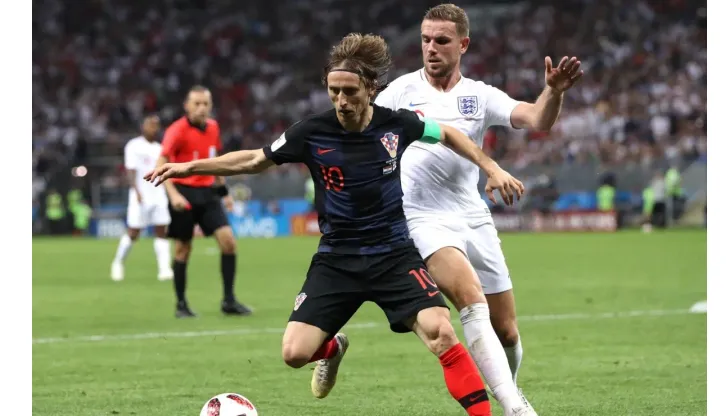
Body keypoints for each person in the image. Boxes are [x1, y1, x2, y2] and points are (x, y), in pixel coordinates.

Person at [145, 33, 533, 416]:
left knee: (442, 333)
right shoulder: (311, 131)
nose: (341, 101)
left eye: (350, 91)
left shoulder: (396, 124)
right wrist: (189, 167)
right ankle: (332, 349)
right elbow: (254, 160)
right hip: (337, 259)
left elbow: (447, 133)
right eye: (334, 91)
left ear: (371, 88)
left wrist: (491, 167)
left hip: (394, 255)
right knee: (294, 354)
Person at [374, 2, 583, 401]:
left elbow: (537, 119)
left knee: (507, 330)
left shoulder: (479, 95)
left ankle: (510, 390)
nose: (431, 48)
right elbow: (363, 137)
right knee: (471, 300)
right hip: (422, 217)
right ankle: (514, 406)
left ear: (463, 44)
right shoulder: (400, 91)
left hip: (473, 215)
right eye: (425, 40)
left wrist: (553, 92)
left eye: (441, 40)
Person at [157, 86, 252, 318]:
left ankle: (229, 301)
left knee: (228, 242)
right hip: (183, 192)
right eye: (197, 104)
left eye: (205, 104)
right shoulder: (176, 130)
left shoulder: (213, 128)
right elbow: (161, 162)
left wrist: (224, 193)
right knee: (183, 248)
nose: (201, 108)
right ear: (187, 106)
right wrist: (174, 195)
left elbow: (215, 162)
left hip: (208, 193)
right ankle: (181, 305)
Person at [111, 115, 174, 281]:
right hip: (141, 195)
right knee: (134, 232)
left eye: (156, 125)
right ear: (143, 127)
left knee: (162, 230)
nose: (154, 128)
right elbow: (130, 170)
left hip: (158, 195)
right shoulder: (134, 146)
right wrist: (136, 191)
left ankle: (164, 269)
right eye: (150, 125)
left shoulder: (160, 148)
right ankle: (118, 262)